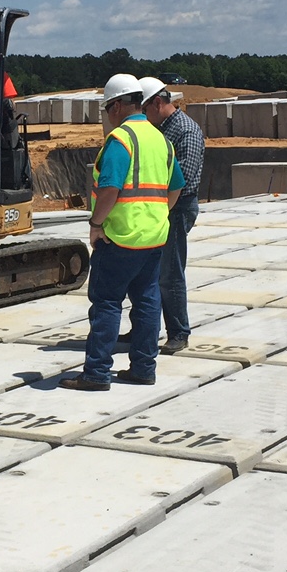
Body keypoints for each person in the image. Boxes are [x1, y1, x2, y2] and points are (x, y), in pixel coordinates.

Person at [60, 74, 184, 392]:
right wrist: (157, 215)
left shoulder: (121, 140)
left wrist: (96, 225)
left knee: (106, 303)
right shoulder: (161, 140)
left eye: (106, 109)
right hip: (153, 238)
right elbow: (175, 188)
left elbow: (110, 189)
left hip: (120, 237)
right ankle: (143, 368)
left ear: (116, 106)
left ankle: (97, 372)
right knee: (147, 303)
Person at [139, 76, 204, 354]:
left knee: (170, 273)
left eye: (144, 109)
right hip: (159, 207)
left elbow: (184, 180)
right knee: (148, 272)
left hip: (176, 208)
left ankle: (178, 332)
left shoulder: (185, 131)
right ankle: (145, 328)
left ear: (157, 103)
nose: (142, 116)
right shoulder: (158, 129)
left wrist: (160, 207)